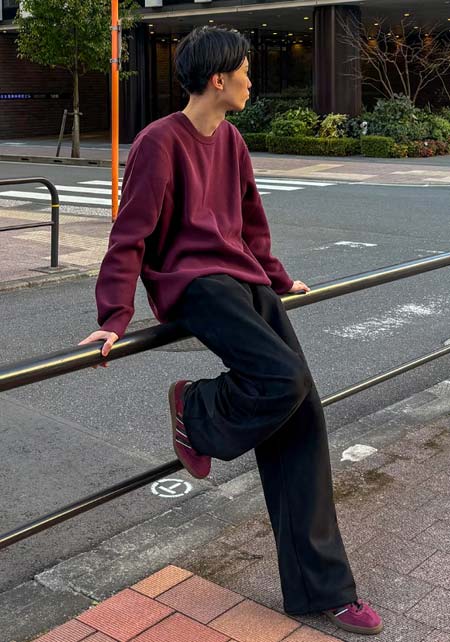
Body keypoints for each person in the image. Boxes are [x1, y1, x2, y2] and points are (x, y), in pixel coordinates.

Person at [79, 25, 383, 636]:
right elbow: (130, 233)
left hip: (243, 280)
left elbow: (250, 221)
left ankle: (322, 591)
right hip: (194, 284)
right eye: (244, 70)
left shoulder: (233, 139)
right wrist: (113, 317)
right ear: (218, 79)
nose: (250, 79)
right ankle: (196, 407)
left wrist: (278, 277)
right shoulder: (159, 141)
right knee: (283, 379)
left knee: (302, 415)